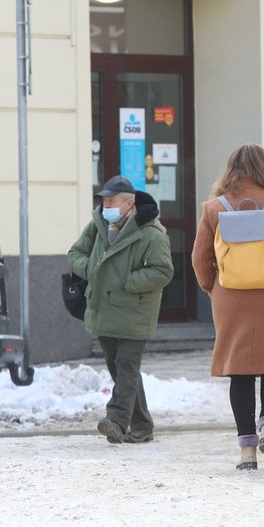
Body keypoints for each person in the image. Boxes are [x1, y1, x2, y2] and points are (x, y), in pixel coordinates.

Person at [191, 144, 264, 471]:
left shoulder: (214, 209)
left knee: (239, 371)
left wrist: (214, 290)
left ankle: (247, 452)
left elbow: (200, 259)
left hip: (230, 296)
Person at [68, 175, 174, 445]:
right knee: (121, 369)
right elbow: (75, 254)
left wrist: (128, 282)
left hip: (134, 310)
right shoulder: (98, 226)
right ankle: (142, 425)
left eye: (112, 201)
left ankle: (116, 420)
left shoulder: (151, 233)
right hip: (104, 308)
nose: (106, 205)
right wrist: (93, 269)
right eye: (104, 200)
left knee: (126, 365)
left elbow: (163, 271)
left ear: (128, 204)